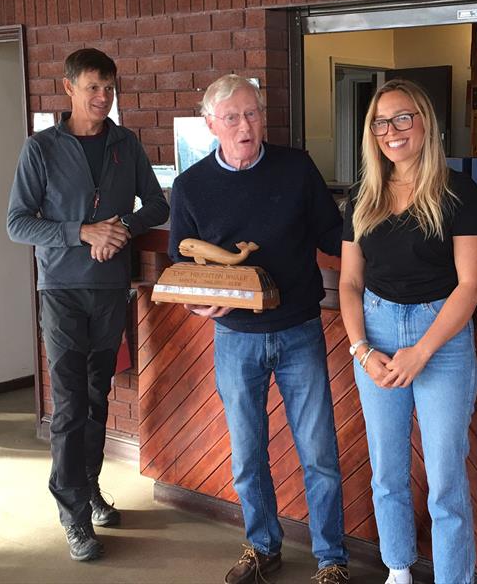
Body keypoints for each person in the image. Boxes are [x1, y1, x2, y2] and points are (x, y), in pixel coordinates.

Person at [168, 74, 349, 584]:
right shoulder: (192, 187)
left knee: (318, 453)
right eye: (232, 118)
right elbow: (181, 263)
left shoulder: (296, 168)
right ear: (211, 125)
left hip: (299, 330)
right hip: (235, 339)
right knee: (247, 454)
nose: (246, 126)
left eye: (252, 114)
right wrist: (199, 307)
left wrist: (377, 228)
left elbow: (334, 236)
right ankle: (262, 546)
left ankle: (331, 560)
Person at [7, 48, 169, 561]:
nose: (104, 98)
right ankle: (73, 514)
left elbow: (158, 204)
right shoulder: (41, 149)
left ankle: (91, 487)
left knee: (98, 398)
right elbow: (17, 222)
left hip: (108, 289)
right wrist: (81, 232)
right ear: (69, 88)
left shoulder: (126, 144)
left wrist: (121, 229)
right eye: (94, 87)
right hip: (60, 291)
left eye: (110, 88)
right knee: (70, 405)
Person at [339, 79, 477, 584]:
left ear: (426, 122)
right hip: (375, 332)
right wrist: (361, 349)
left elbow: (470, 286)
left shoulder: (457, 190)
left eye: (403, 117)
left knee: (445, 479)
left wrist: (421, 351)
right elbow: (350, 282)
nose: (391, 130)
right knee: (387, 472)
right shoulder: (363, 194)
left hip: (440, 339)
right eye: (381, 122)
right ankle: (398, 570)